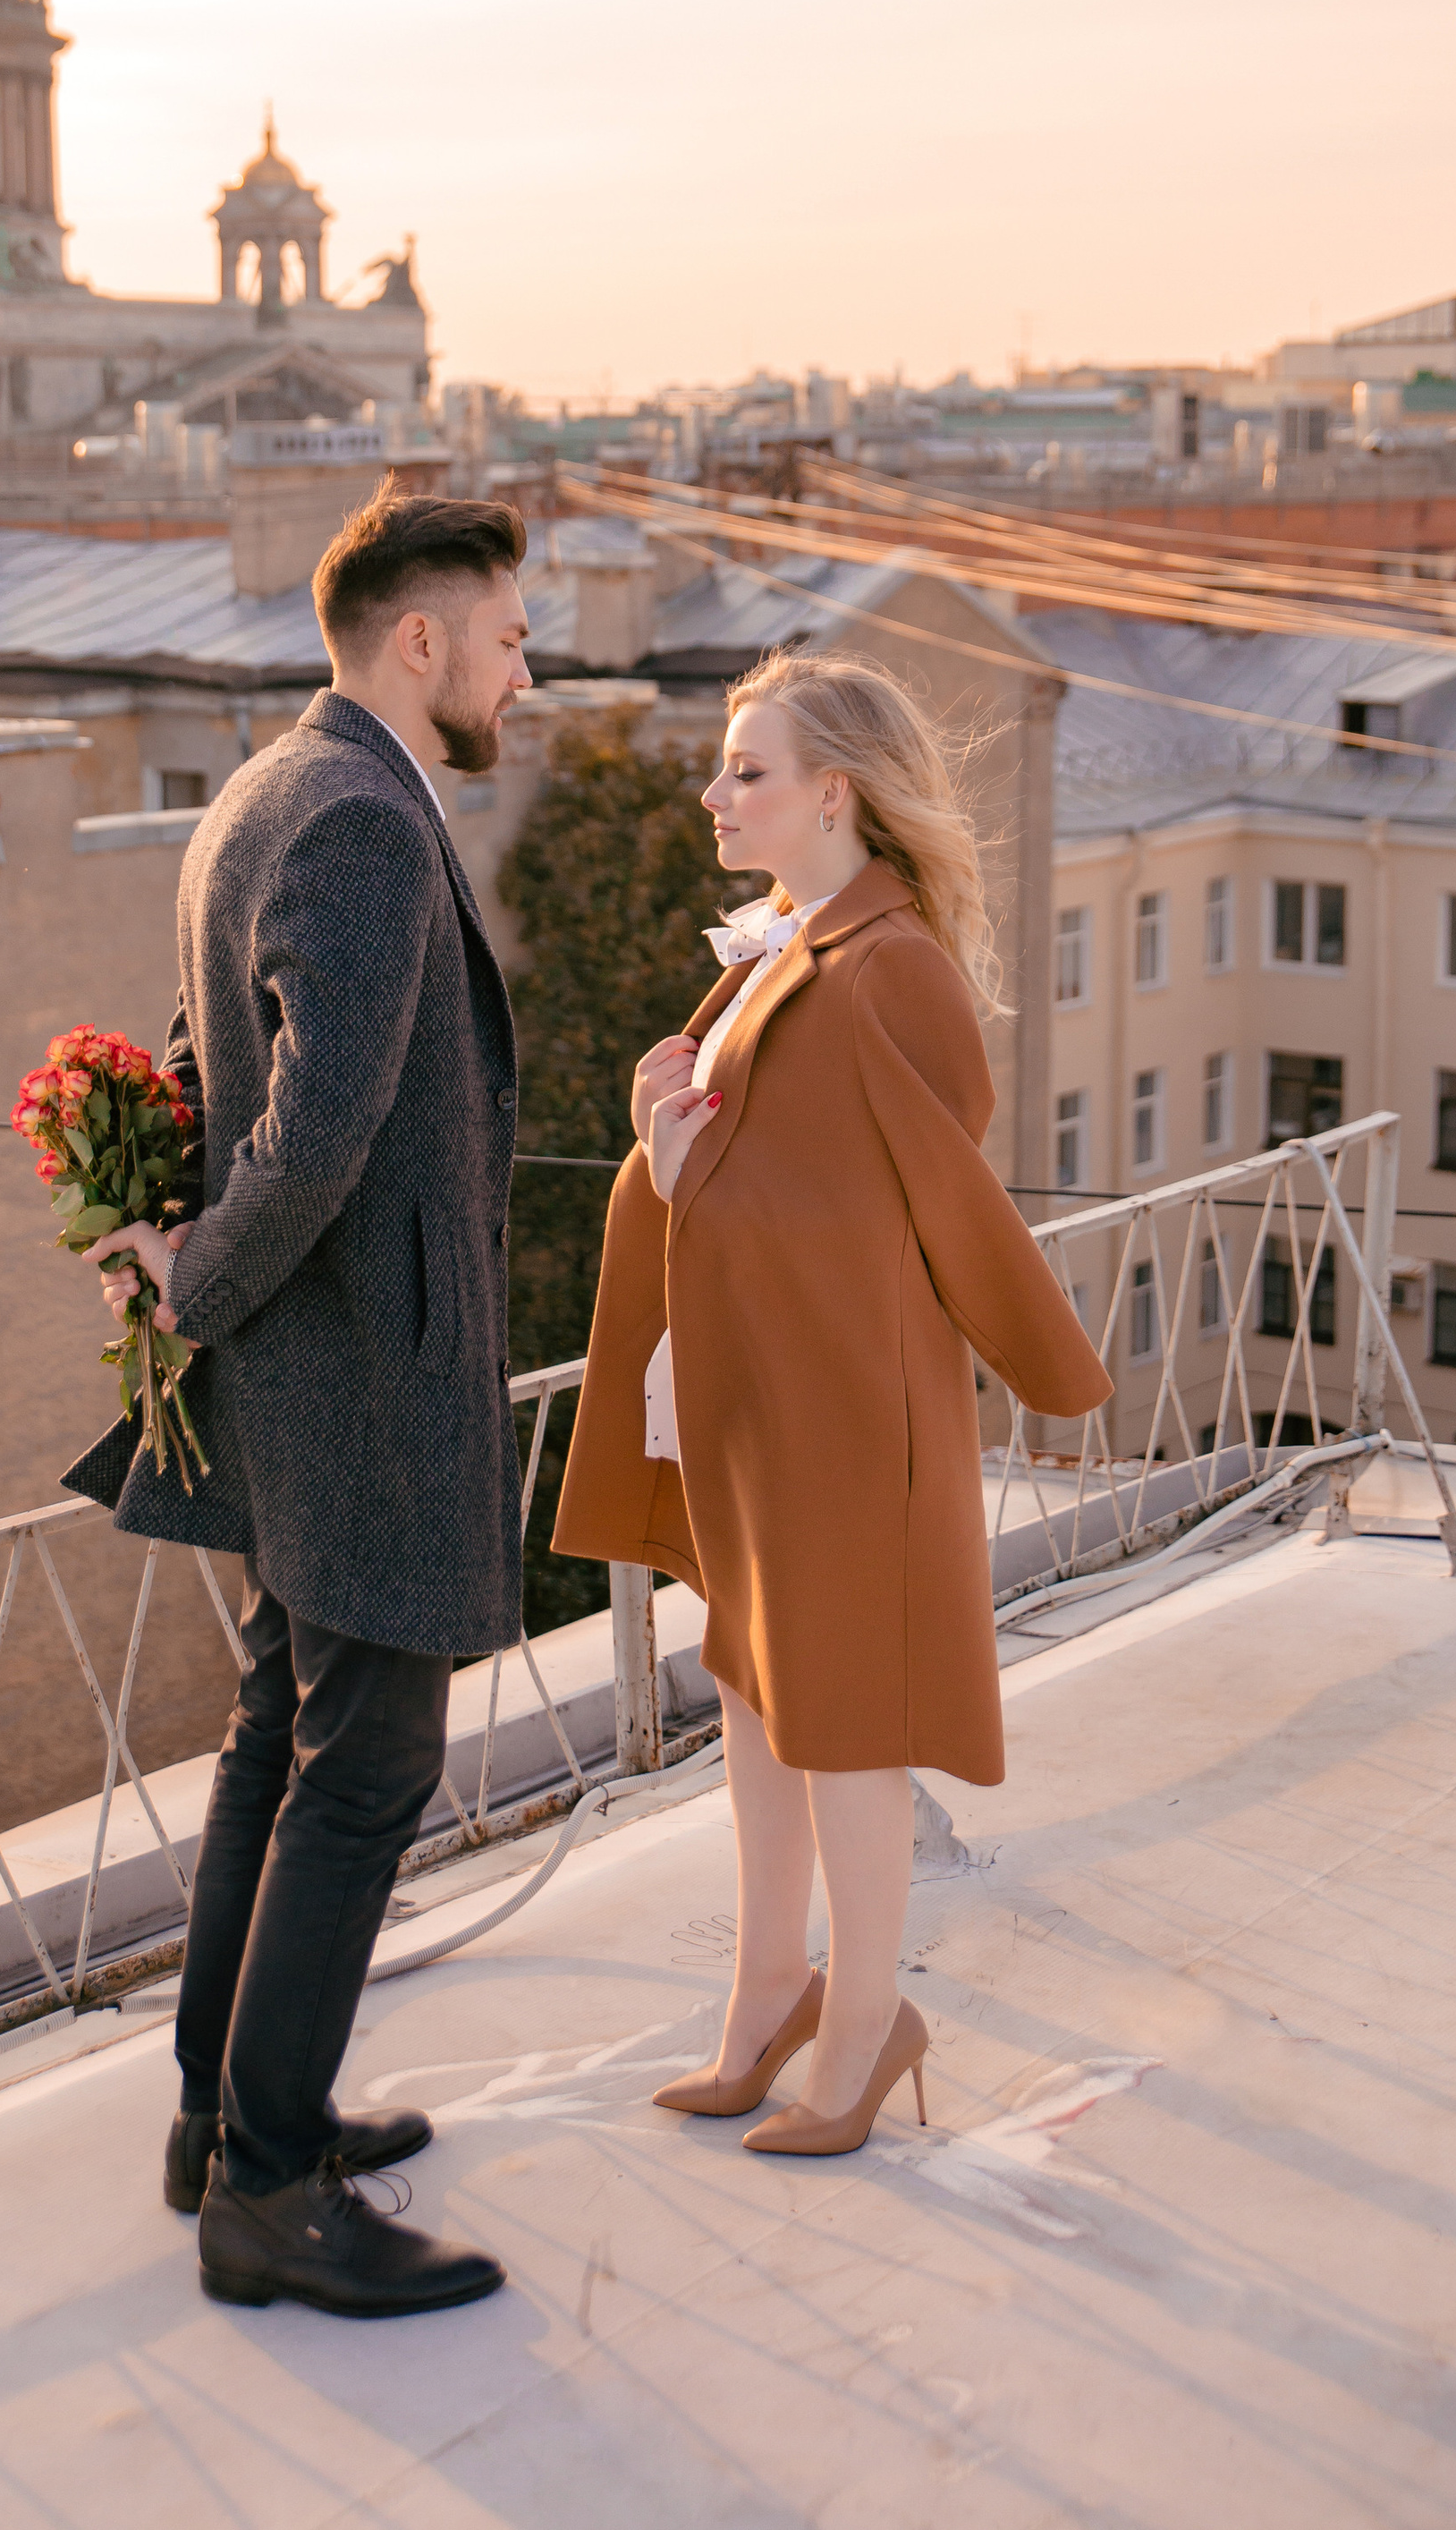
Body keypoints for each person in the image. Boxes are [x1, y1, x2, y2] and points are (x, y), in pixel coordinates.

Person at [62, 480, 532, 2315]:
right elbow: (311, 1121)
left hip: (296, 1378)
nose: (522, 669)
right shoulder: (353, 815)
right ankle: (266, 2190)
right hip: (356, 1384)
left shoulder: (267, 791)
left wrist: (165, 1242)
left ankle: (226, 2114)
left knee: (280, 1736)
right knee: (368, 1771)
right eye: (505, 638)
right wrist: (196, 1272)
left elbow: (195, 1056)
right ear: (417, 641)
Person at [552, 651, 1113, 2157]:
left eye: (746, 768)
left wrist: (693, 1173)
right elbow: (755, 1171)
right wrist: (659, 1141)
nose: (716, 792)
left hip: (846, 1418)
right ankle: (765, 1999)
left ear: (833, 792)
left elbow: (913, 1205)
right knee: (756, 1706)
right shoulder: (777, 956)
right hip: (757, 1409)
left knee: (847, 1731)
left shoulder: (893, 965)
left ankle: (865, 2028)